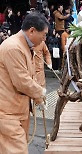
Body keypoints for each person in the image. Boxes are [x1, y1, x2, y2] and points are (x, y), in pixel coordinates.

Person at [0, 12, 49, 154]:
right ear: (32, 30)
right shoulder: (13, 47)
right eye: (44, 34)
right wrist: (41, 92)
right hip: (8, 113)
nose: (44, 38)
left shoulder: (24, 46)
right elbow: (22, 81)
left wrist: (38, 98)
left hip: (18, 111)